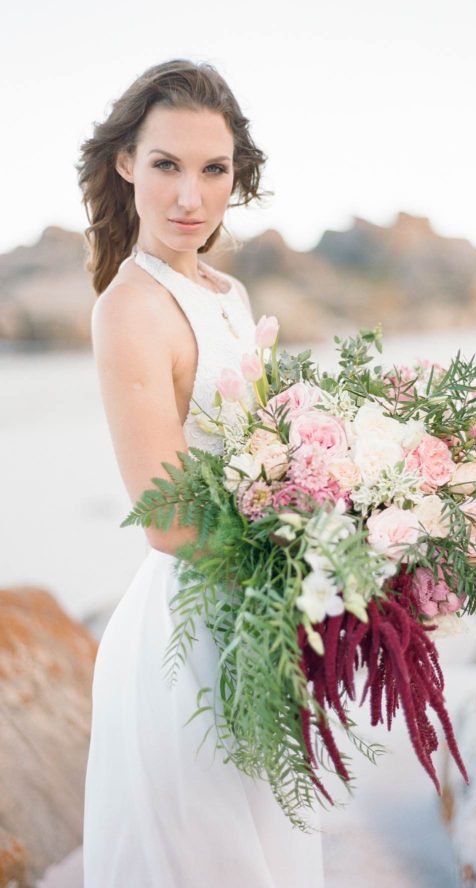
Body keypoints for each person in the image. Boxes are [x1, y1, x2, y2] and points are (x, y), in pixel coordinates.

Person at [76, 58, 326, 887]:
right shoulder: (129, 309)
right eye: (166, 166)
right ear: (125, 166)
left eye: (213, 169)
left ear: (236, 176)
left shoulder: (226, 289)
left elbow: (267, 447)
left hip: (258, 618)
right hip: (192, 641)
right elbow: (169, 518)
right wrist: (304, 553)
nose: (190, 196)